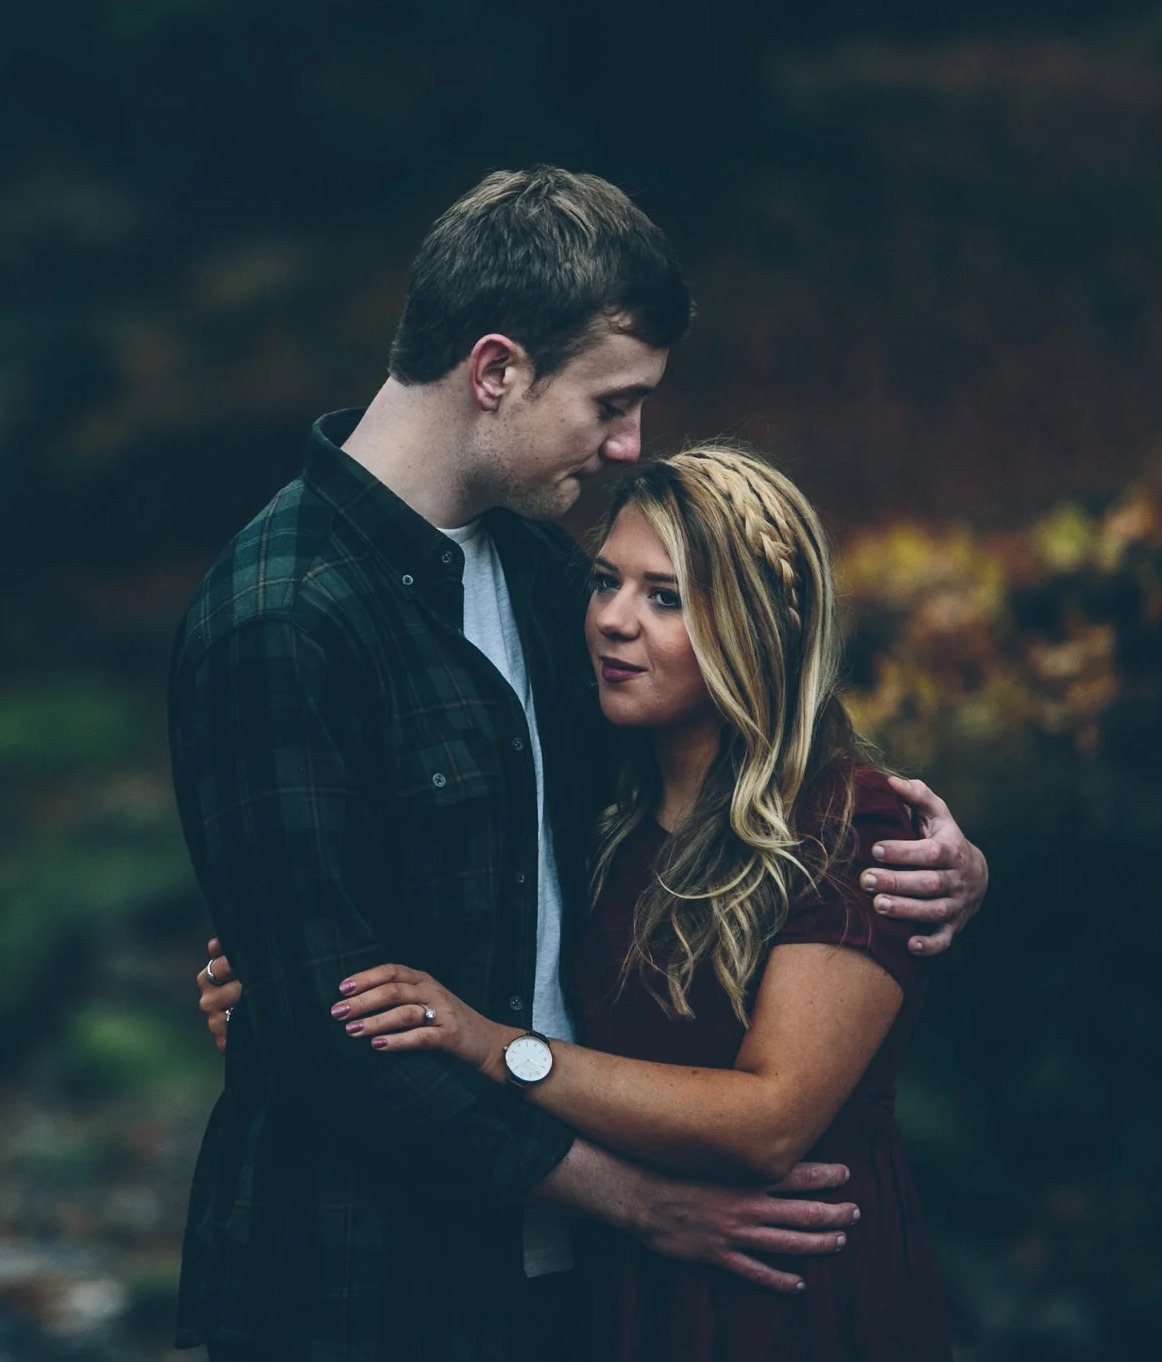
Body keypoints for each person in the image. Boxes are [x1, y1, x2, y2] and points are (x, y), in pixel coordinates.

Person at [169, 167, 987, 1362]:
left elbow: (748, 719)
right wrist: (630, 1195)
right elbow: (325, 1032)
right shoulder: (279, 617)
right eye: (612, 400)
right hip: (373, 1287)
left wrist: (935, 853)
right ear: (495, 369)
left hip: (580, 1290)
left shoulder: (552, 572)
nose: (628, 443)